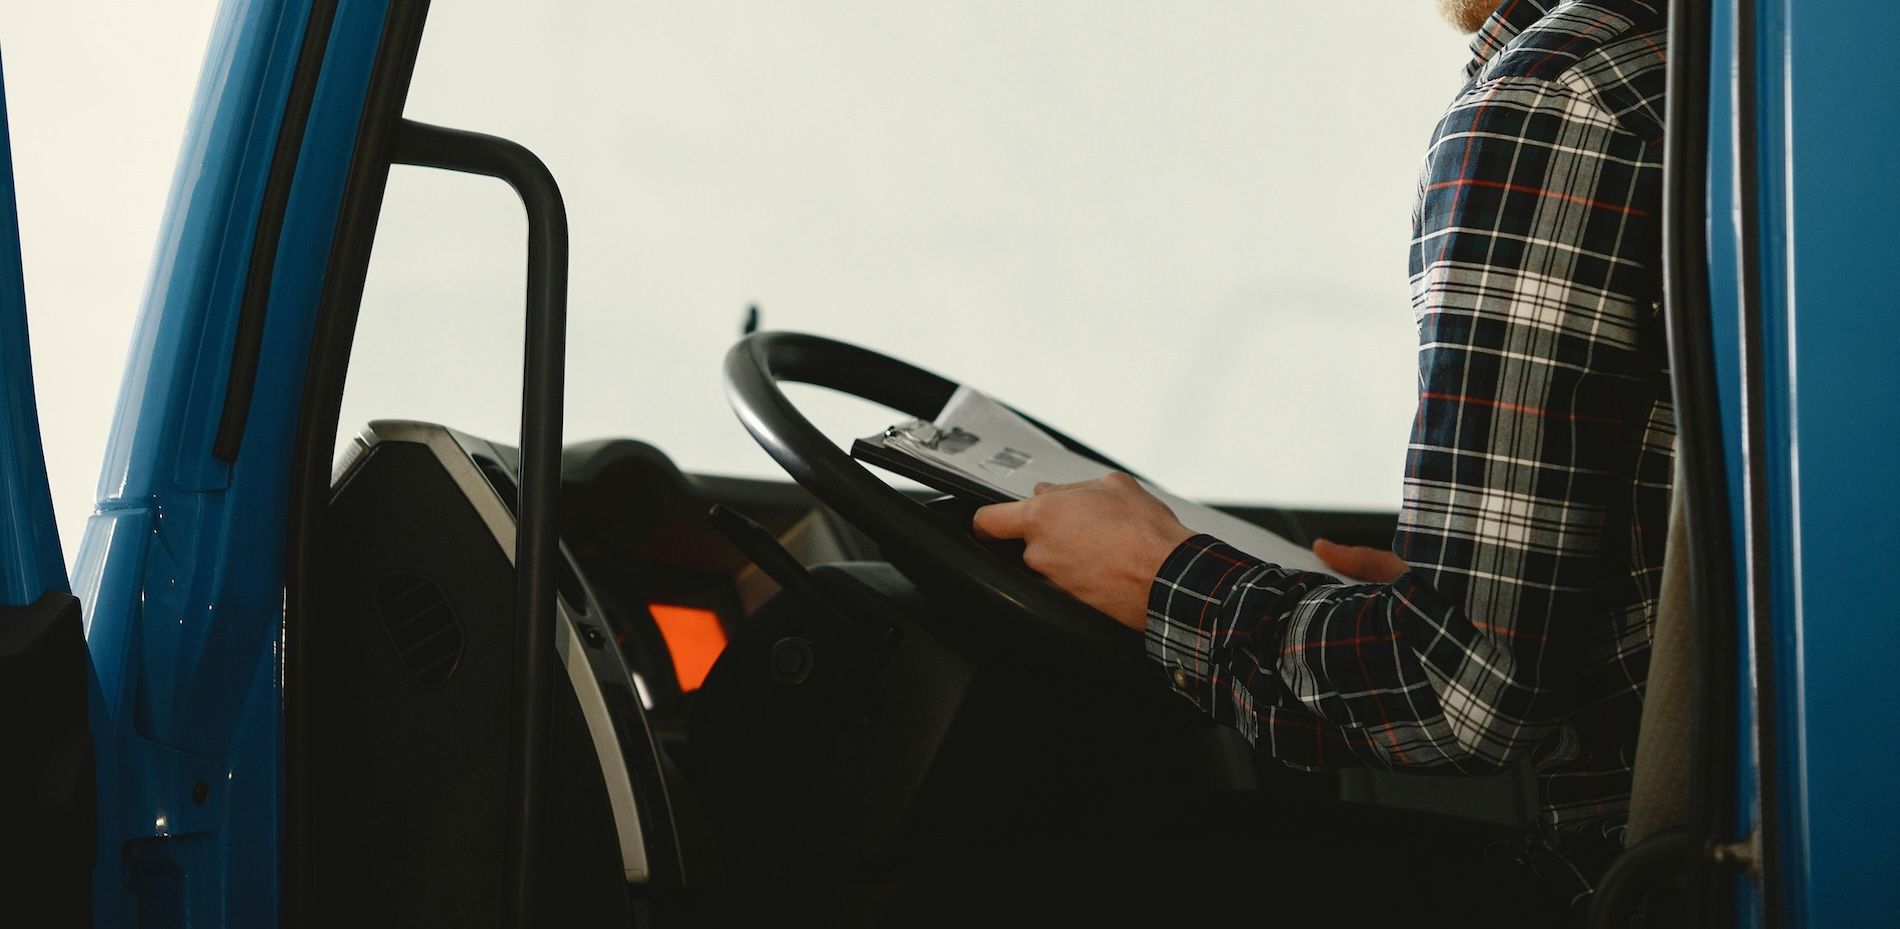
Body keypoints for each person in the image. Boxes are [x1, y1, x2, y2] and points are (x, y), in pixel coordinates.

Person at [973, 0, 1672, 921]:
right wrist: (1462, 593)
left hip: (1639, 883)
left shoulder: (1557, 99)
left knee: (1081, 873)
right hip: (1719, 831)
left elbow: (1463, 694)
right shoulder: (1685, 63)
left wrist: (1157, 578)